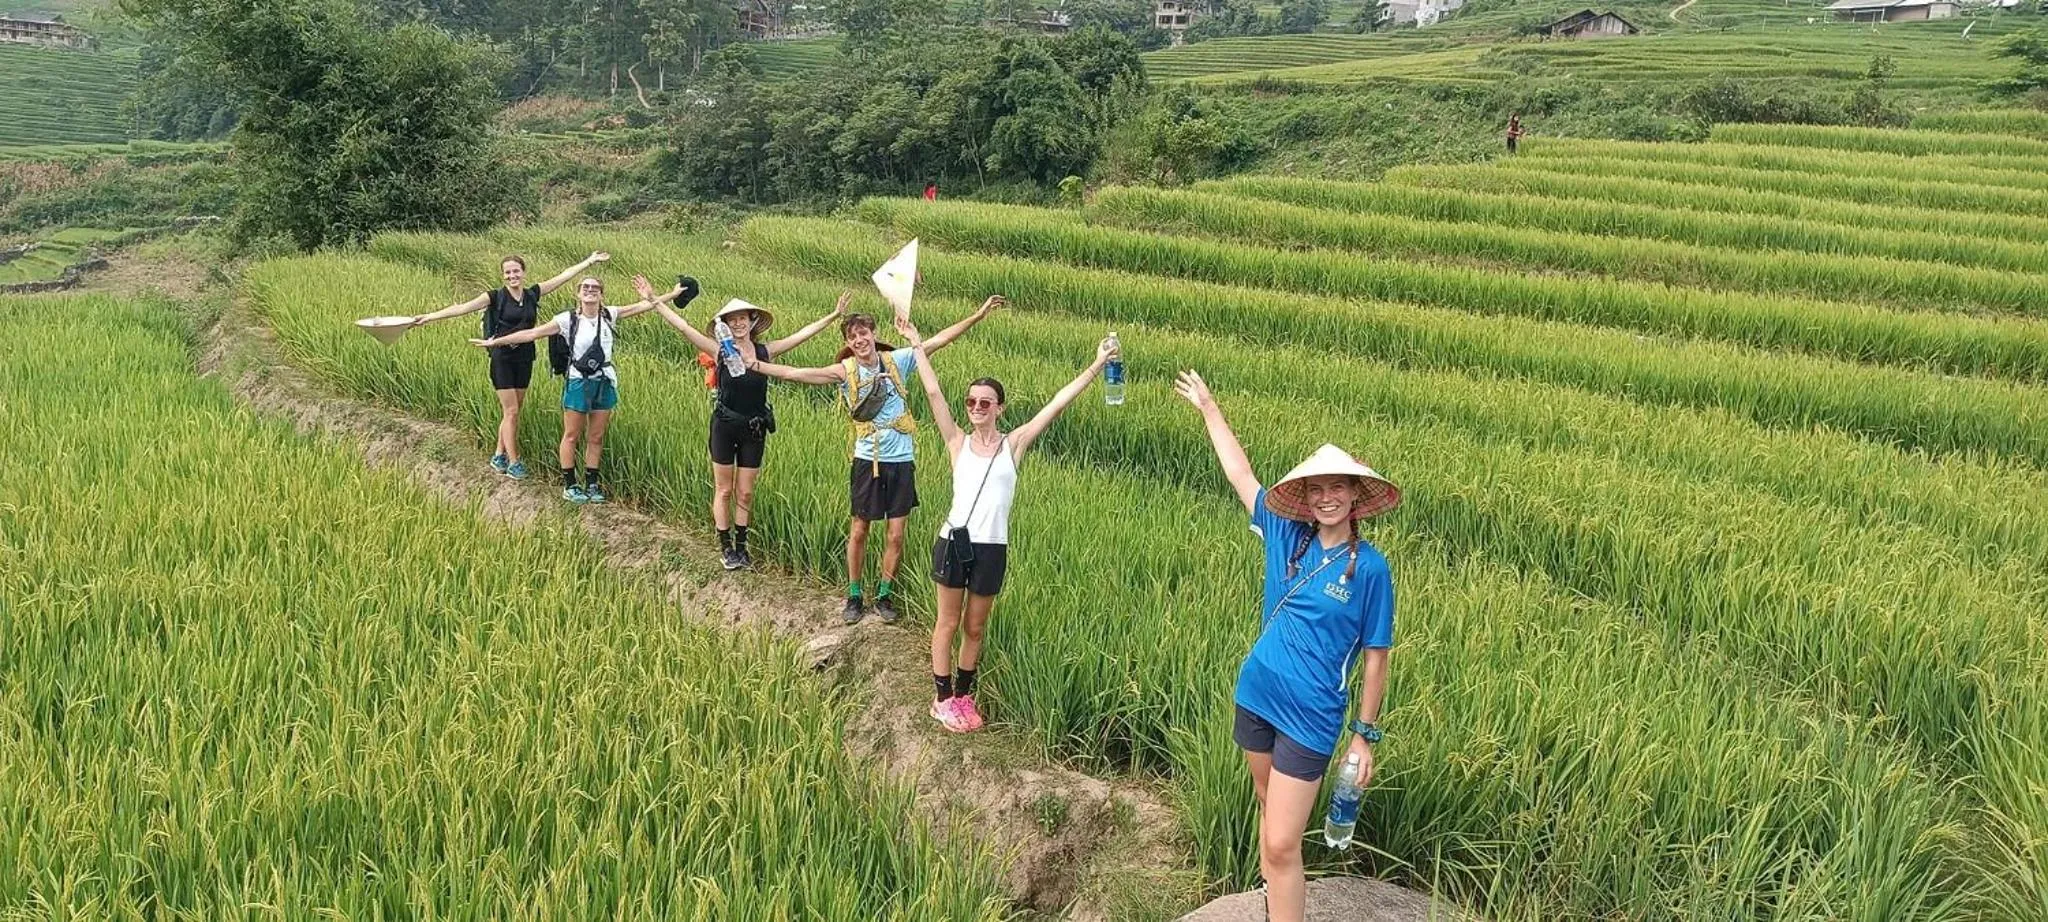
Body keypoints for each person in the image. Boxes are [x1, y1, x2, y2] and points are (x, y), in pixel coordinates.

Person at [1173, 369, 1399, 922]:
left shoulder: (1370, 569)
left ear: (1354, 496)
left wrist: (1364, 738)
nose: (1326, 498)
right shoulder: (1284, 535)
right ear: (1305, 496)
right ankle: (1275, 902)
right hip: (1257, 695)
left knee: (1280, 842)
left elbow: (1376, 657)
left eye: (1336, 488)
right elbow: (1240, 472)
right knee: (1266, 809)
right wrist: (1208, 406)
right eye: (1316, 489)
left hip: (1312, 716)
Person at [896, 317, 1116, 732]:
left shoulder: (1014, 444)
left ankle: (964, 694)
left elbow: (1057, 403)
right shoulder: (956, 442)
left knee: (975, 626)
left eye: (985, 403)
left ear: (999, 408)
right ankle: (942, 698)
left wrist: (1097, 364)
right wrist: (916, 343)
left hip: (992, 547)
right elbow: (932, 390)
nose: (976, 408)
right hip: (954, 541)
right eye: (971, 402)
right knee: (947, 621)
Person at [745, 296, 1005, 625]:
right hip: (867, 459)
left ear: (873, 334)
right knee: (859, 530)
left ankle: (884, 595)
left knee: (896, 534)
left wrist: (977, 315)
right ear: (848, 343)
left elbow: (940, 339)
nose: (859, 340)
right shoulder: (844, 371)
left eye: (863, 333)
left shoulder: (897, 361)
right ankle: (854, 594)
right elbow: (795, 372)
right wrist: (756, 364)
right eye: (852, 337)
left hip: (901, 460)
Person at [639, 277, 851, 570]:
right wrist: (654, 301)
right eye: (732, 320)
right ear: (725, 324)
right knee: (724, 490)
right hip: (724, 425)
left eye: (743, 319)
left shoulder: (766, 352)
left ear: (752, 322)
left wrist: (833, 315)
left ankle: (742, 547)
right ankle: (725, 547)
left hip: (754, 427)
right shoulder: (719, 351)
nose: (738, 324)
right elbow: (684, 328)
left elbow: (802, 335)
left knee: (746, 491)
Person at [470, 273, 682, 505]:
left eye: (595, 288)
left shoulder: (609, 314)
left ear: (602, 294)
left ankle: (592, 483)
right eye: (585, 287)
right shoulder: (566, 320)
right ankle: (570, 485)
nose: (590, 290)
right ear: (578, 293)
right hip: (579, 381)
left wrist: (672, 294)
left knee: (597, 436)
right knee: (571, 435)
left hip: (605, 381)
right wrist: (495, 341)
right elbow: (532, 333)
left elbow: (645, 305)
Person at [406, 251, 610, 480]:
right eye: (508, 272)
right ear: (503, 276)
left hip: (525, 357)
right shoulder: (494, 297)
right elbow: (462, 308)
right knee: (511, 411)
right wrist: (429, 317)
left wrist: (589, 261)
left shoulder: (533, 293)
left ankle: (498, 454)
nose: (512, 275)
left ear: (523, 273)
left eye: (516, 271)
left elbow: (564, 276)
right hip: (502, 358)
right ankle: (514, 462)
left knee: (514, 411)